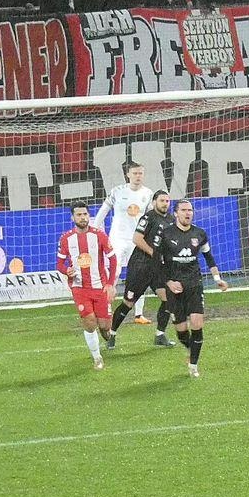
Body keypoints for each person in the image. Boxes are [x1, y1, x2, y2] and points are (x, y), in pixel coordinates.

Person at [158, 199, 229, 378]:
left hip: (194, 285)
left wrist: (217, 279)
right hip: (174, 289)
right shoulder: (166, 234)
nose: (188, 213)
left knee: (197, 323)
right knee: (181, 331)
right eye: (184, 210)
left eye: (190, 210)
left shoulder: (200, 233)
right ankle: (190, 348)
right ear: (175, 213)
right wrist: (168, 283)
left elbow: (209, 257)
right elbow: (156, 264)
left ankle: (193, 366)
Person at [107, 190, 176, 350]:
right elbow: (136, 239)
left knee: (168, 299)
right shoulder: (148, 217)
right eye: (162, 200)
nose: (165, 203)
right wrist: (154, 253)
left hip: (158, 268)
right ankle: (112, 333)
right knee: (128, 303)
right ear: (154, 202)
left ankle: (160, 335)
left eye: (167, 201)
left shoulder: (172, 220)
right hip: (141, 266)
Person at [57, 201, 118, 370]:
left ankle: (106, 332)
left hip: (100, 286)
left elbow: (112, 259)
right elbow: (59, 264)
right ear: (72, 217)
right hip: (79, 287)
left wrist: (111, 284)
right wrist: (66, 270)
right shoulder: (66, 239)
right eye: (79, 215)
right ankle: (97, 358)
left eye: (85, 214)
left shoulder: (99, 235)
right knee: (90, 322)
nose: (83, 218)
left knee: (105, 326)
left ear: (89, 216)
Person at [93, 162, 155, 325]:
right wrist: (94, 231)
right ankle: (105, 309)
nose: (138, 176)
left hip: (137, 240)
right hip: (117, 239)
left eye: (141, 173)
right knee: (114, 272)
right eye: (135, 173)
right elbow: (103, 211)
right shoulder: (117, 192)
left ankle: (138, 314)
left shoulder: (148, 194)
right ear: (128, 175)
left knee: (140, 275)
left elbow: (151, 218)